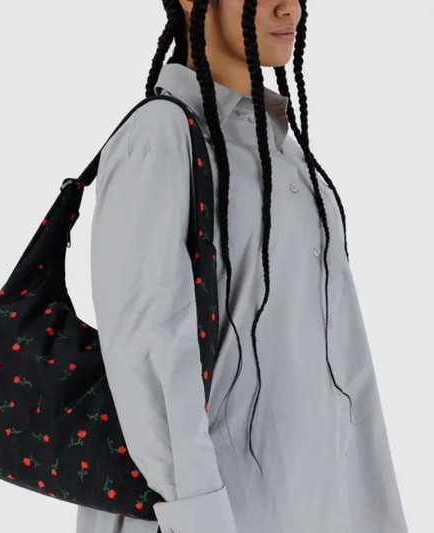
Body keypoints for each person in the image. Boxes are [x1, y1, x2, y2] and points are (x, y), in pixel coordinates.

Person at [77, 1, 409, 532]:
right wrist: (200, 520)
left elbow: (344, 369)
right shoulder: (161, 136)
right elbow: (148, 355)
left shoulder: (282, 153)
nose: (289, 7)